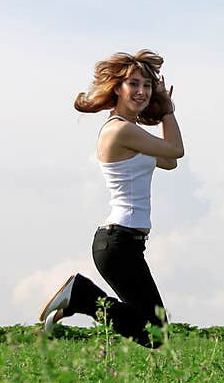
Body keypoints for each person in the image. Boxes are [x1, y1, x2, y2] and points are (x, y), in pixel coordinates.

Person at [38, 49, 184, 348]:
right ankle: (81, 295)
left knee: (154, 332)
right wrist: (167, 110)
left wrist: (162, 114)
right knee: (156, 335)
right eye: (134, 84)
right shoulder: (120, 131)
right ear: (117, 88)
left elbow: (169, 161)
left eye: (147, 85)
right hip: (118, 243)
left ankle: (81, 295)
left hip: (124, 243)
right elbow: (175, 149)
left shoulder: (131, 132)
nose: (141, 91)